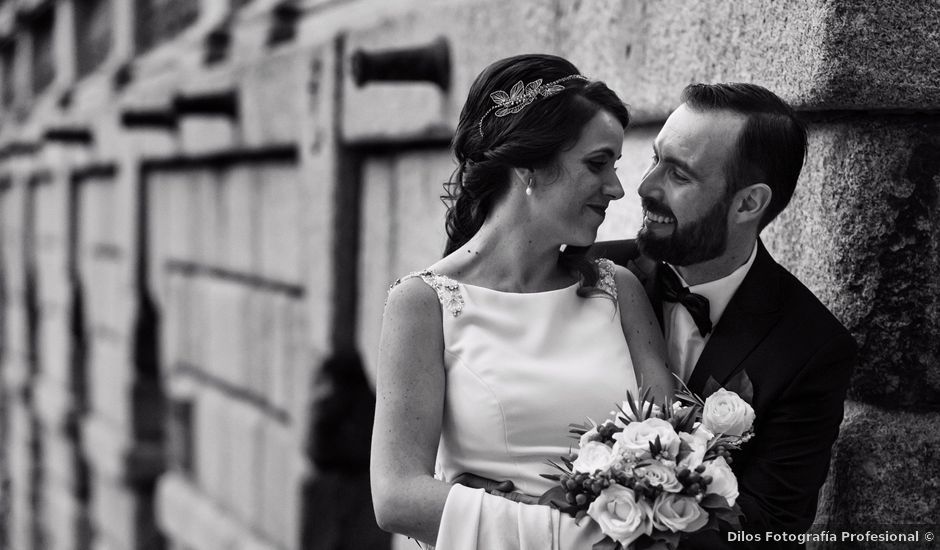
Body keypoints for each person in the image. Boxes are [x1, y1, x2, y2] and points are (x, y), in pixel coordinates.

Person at [370, 54, 673, 549]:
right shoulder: (424, 304)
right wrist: (564, 531)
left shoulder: (619, 290)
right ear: (528, 164)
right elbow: (396, 497)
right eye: (597, 164)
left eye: (615, 166)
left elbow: (670, 456)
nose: (617, 189)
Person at [592, 82, 857, 548]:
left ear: (749, 203)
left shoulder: (811, 349)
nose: (645, 186)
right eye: (655, 159)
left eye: (679, 175)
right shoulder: (586, 273)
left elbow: (768, 527)